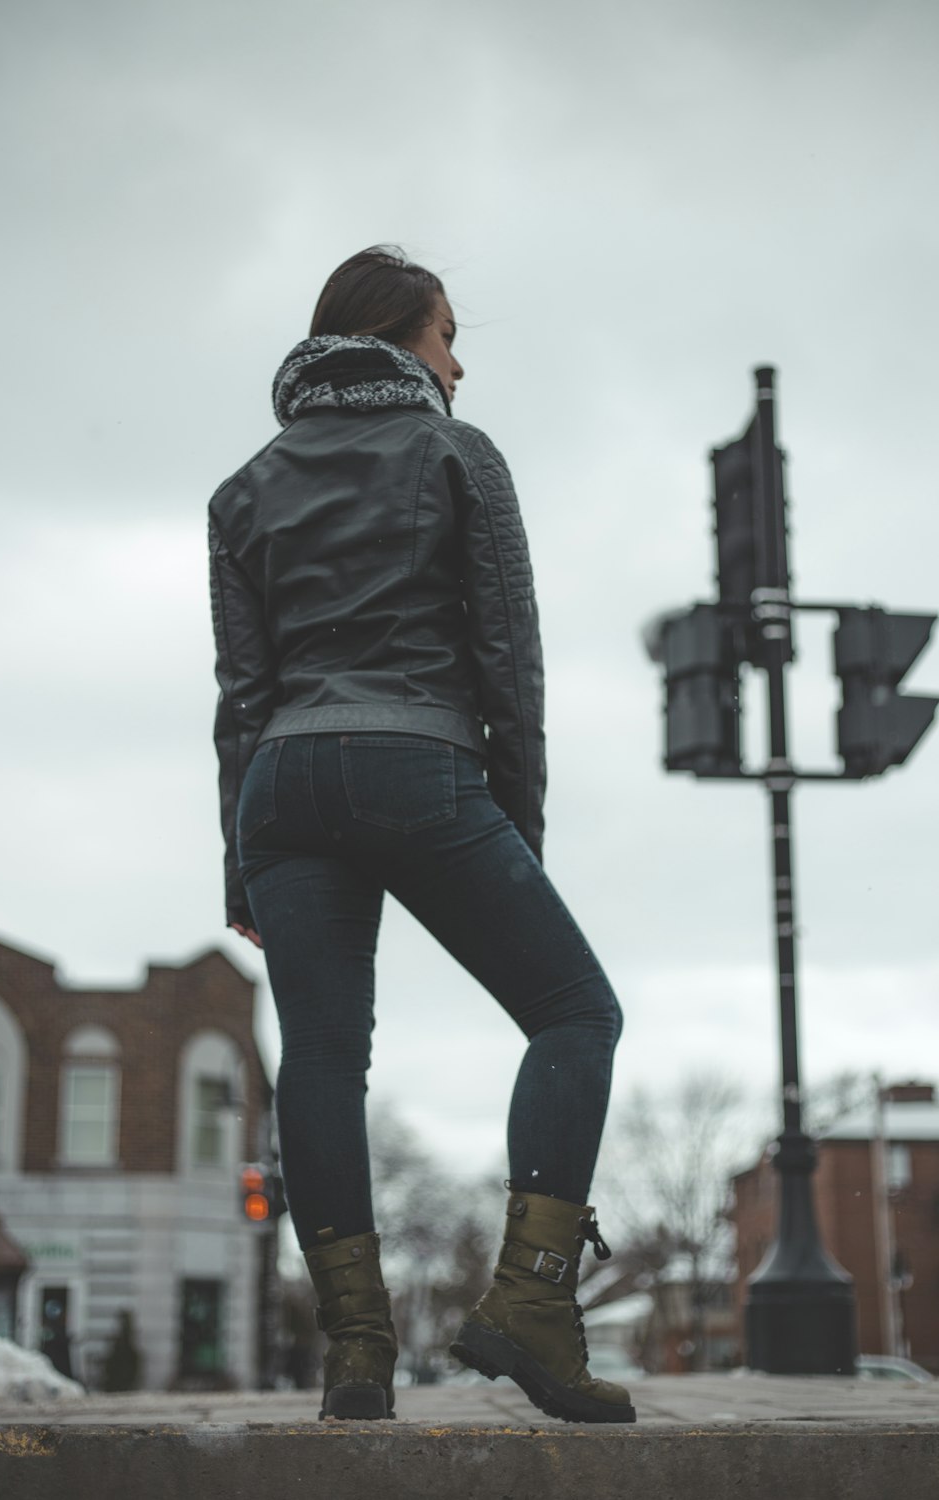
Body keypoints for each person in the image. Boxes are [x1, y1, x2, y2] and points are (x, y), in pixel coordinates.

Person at [208, 246, 634, 1425]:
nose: (458, 365)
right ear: (399, 337)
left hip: (282, 788)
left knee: (322, 1059)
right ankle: (532, 1308)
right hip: (418, 767)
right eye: (448, 337)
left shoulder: (242, 489)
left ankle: (355, 1350)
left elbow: (242, 695)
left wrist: (239, 860)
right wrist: (519, 829)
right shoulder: (456, 454)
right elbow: (511, 661)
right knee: (573, 1012)